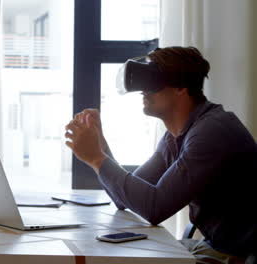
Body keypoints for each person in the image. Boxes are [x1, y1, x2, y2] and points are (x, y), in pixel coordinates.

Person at [65, 46, 257, 264]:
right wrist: (99, 144)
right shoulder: (176, 136)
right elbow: (123, 199)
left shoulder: (212, 131)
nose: (143, 91)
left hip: (239, 255)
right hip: (215, 245)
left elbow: (155, 208)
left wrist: (97, 158)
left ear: (180, 88)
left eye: (152, 81)